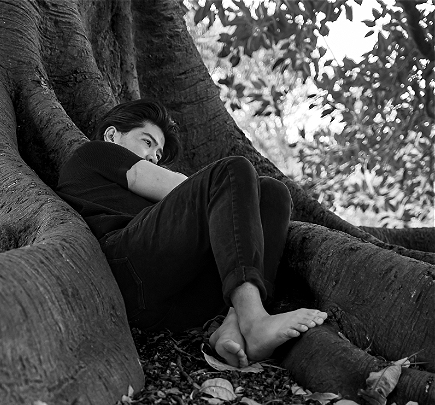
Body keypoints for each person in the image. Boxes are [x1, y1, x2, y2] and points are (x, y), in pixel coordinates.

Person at [57, 99, 326, 367]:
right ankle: (254, 319)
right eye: (147, 142)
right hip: (125, 271)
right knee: (232, 170)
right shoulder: (95, 152)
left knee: (273, 193)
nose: (153, 157)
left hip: (177, 300)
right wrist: (219, 186)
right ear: (112, 134)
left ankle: (233, 323)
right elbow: (182, 187)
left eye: (158, 154)